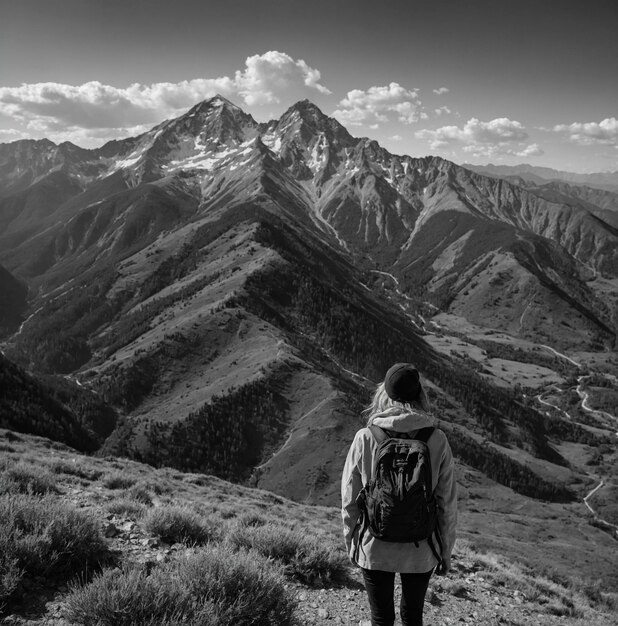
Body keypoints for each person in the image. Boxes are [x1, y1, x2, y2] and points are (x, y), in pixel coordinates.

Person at [341, 363, 457, 626]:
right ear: (420, 395)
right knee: (412, 616)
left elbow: (350, 498)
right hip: (421, 547)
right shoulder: (437, 439)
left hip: (374, 545)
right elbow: (446, 504)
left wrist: (351, 542)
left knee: (381, 619)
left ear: (384, 393)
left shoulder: (365, 437)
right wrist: (445, 551)